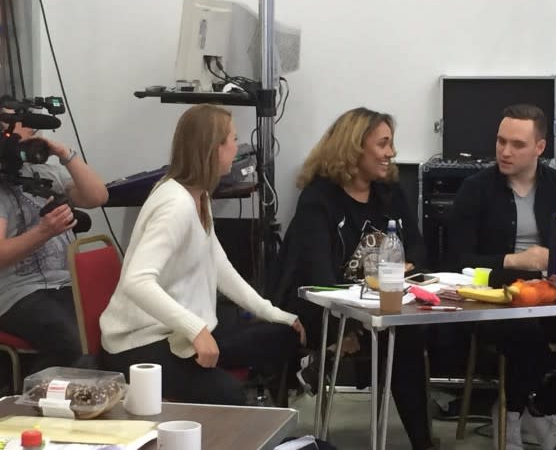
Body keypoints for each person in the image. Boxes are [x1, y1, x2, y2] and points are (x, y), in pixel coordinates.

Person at [100, 104, 305, 406]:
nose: (238, 148)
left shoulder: (199, 197)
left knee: (284, 335)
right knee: (231, 396)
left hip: (180, 335)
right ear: (214, 148)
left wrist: (275, 313)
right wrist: (196, 330)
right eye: (233, 140)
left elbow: (220, 267)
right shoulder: (175, 205)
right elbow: (136, 281)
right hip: (141, 345)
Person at [271, 107, 434, 450]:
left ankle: (423, 443)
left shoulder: (390, 193)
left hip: (381, 306)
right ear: (355, 148)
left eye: (392, 143)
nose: (392, 153)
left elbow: (417, 248)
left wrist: (404, 267)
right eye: (383, 144)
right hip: (324, 309)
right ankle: (326, 352)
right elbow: (320, 277)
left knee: (407, 336)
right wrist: (355, 320)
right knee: (397, 336)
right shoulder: (318, 198)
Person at [443, 104, 556, 450]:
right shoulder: (475, 189)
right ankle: (511, 415)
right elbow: (458, 260)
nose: (505, 151)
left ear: (540, 148)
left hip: (551, 293)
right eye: (501, 141)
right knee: (525, 336)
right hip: (493, 297)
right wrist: (518, 261)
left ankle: (541, 405)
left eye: (517, 144)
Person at [0, 118, 108, 373]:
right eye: (18, 126)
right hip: (19, 292)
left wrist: (64, 154)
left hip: (66, 282)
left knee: (114, 329)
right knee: (74, 339)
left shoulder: (45, 173)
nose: (29, 131)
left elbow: (97, 196)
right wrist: (44, 231)